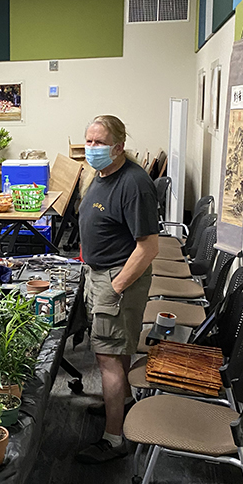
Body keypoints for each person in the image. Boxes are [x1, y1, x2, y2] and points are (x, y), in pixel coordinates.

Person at [74, 115, 159, 465]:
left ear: (119, 146)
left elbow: (148, 246)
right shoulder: (101, 175)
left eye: (99, 143)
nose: (91, 149)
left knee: (107, 358)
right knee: (115, 348)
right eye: (88, 142)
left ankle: (114, 439)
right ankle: (120, 404)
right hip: (100, 274)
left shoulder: (134, 183)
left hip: (117, 277)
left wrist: (116, 285)